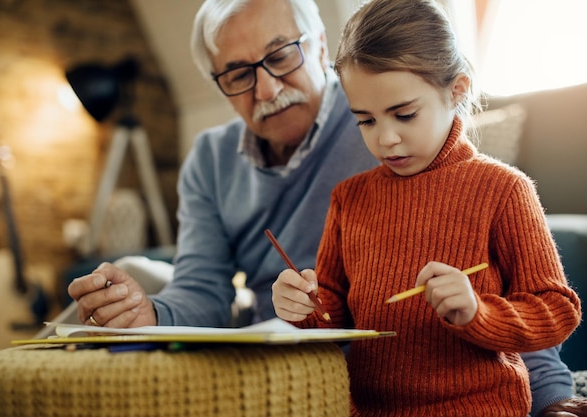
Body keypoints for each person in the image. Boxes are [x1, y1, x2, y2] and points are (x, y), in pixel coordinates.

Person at [67, 0, 586, 415]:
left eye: (280, 56)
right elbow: (214, 290)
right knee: (124, 286)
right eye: (237, 74)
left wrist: (550, 396)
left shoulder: (481, 177)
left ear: (319, 49)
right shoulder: (228, 162)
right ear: (218, 86)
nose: (266, 88)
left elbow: (530, 294)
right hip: (305, 361)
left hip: (456, 394)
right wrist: (151, 316)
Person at [270, 0, 582, 415]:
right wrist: (304, 306)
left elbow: (558, 310)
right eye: (366, 120)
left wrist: (478, 311)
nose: (386, 139)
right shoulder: (349, 198)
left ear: (457, 90)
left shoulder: (504, 189)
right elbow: (335, 316)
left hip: (480, 407)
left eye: (404, 114)